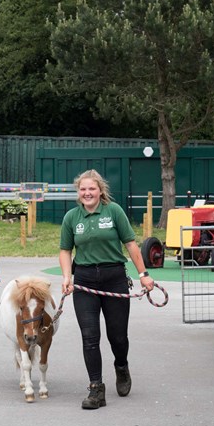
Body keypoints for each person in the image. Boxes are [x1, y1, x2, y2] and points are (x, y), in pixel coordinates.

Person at [59, 169, 155, 409]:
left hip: (114, 279)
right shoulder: (72, 217)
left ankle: (121, 366)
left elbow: (131, 244)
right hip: (85, 281)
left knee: (118, 337)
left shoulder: (114, 212)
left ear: (100, 191)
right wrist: (66, 277)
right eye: (83, 189)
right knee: (89, 336)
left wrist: (143, 275)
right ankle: (96, 389)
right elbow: (65, 250)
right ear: (78, 192)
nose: (87, 193)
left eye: (92, 188)